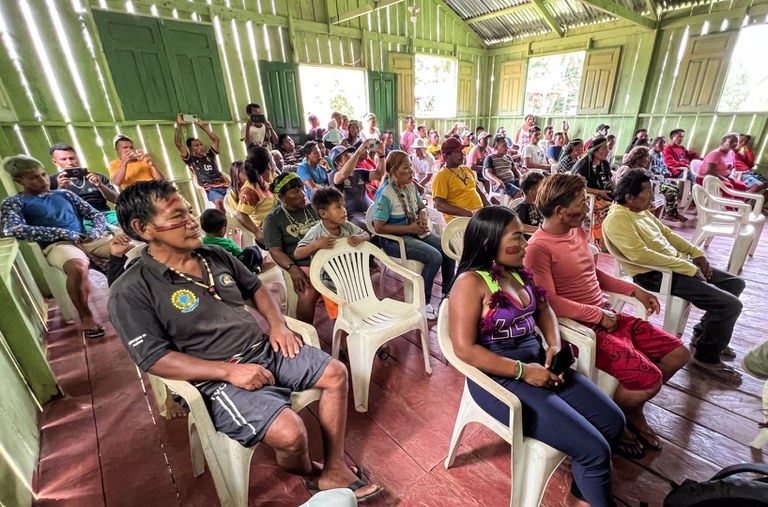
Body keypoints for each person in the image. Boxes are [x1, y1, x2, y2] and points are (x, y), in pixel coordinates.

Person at [108, 180, 381, 502]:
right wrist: (228, 372)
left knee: (336, 373)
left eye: (190, 212)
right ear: (144, 228)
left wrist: (277, 325)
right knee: (292, 433)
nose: (192, 221)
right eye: (178, 216)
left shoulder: (214, 255)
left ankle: (334, 467)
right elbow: (154, 359)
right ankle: (310, 473)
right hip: (212, 380)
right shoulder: (131, 289)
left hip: (263, 349)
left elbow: (256, 289)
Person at [449, 206, 624, 507]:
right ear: (490, 240)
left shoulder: (518, 273)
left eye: (523, 237)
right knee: (595, 450)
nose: (525, 245)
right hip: (500, 378)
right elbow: (464, 350)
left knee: (613, 422)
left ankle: (581, 498)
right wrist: (522, 372)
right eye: (516, 237)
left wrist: (553, 345)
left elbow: (545, 309)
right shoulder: (470, 284)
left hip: (540, 363)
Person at [524, 173, 689, 460]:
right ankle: (617, 419)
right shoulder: (538, 248)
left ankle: (630, 409)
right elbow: (548, 303)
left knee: (678, 354)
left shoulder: (575, 231)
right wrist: (597, 315)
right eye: (579, 203)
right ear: (561, 211)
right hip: (582, 329)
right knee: (650, 380)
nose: (586, 208)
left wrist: (633, 290)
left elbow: (592, 273)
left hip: (607, 317)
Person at [603, 169, 744, 385]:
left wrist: (697, 254)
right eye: (647, 192)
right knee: (730, 305)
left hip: (675, 266)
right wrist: (685, 266)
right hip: (653, 275)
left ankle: (705, 335)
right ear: (629, 197)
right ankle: (706, 357)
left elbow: (667, 234)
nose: (651, 196)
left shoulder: (641, 211)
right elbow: (640, 255)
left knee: (735, 283)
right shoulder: (617, 219)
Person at [2, 155, 113, 337]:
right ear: (18, 180)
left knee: (130, 250)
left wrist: (94, 232)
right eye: (34, 178)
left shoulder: (64, 194)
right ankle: (86, 316)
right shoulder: (15, 202)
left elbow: (96, 215)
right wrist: (63, 233)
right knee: (78, 267)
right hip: (57, 244)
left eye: (43, 174)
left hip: (86, 238)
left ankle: (137, 300)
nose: (43, 180)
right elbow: (13, 228)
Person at [373, 151, 455, 320]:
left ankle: (448, 293)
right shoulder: (385, 193)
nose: (412, 171)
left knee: (449, 248)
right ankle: (422, 303)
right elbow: (378, 227)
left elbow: (421, 207)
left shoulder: (410, 186)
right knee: (434, 257)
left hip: (413, 231)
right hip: (394, 240)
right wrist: (410, 228)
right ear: (394, 171)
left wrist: (423, 216)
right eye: (406, 168)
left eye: (411, 166)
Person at [294, 187, 370, 319]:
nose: (344, 211)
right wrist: (316, 244)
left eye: (343, 206)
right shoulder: (317, 232)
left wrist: (360, 238)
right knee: (339, 317)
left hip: (350, 278)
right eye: (338, 207)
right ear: (323, 214)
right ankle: (341, 335)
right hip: (328, 284)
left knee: (355, 310)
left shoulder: (347, 226)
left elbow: (366, 235)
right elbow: (298, 253)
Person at [263, 172, 321, 324]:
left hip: (326, 259)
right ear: (282, 197)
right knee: (307, 292)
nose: (302, 194)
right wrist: (292, 268)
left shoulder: (313, 208)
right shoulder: (274, 218)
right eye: (295, 191)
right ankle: (305, 335)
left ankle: (347, 335)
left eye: (301, 189)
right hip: (302, 264)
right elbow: (275, 251)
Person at [49, 144, 119, 226]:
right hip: (77, 219)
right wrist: (60, 189)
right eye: (63, 159)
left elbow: (117, 199)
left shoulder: (96, 177)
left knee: (126, 223)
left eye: (72, 158)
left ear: (77, 158)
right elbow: (52, 209)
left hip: (104, 214)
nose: (69, 162)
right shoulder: (52, 181)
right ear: (55, 162)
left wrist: (100, 185)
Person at [174, 114, 229, 212]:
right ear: (190, 149)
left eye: (200, 144)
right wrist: (179, 125)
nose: (200, 147)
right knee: (219, 204)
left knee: (239, 200)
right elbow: (178, 143)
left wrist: (202, 126)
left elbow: (216, 140)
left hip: (224, 185)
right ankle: (223, 225)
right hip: (211, 189)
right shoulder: (191, 160)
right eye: (196, 146)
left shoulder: (210, 155)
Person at [432, 137, 490, 222]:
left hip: (478, 214)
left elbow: (477, 189)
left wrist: (488, 205)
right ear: (446, 156)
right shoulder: (441, 176)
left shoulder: (465, 169)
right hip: (460, 219)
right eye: (457, 152)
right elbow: (439, 205)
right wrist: (468, 213)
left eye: (462, 151)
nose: (462, 154)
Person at [330, 141, 384, 230]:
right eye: (345, 156)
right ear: (337, 163)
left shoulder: (359, 172)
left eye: (349, 154)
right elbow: (344, 174)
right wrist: (359, 152)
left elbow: (379, 174)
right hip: (353, 215)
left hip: (370, 211)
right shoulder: (334, 175)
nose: (350, 156)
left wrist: (381, 156)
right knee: (371, 226)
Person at [571, 137, 614, 251]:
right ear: (595, 151)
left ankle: (614, 239)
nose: (607, 151)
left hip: (604, 195)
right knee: (605, 208)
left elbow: (609, 182)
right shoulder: (584, 165)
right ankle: (601, 243)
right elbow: (579, 187)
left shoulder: (604, 164)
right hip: (587, 197)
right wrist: (599, 192)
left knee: (620, 206)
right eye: (604, 148)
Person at [234, 147, 278, 245]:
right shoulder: (251, 190)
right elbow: (240, 215)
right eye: (273, 160)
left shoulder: (274, 177)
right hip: (268, 231)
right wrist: (257, 233)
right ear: (270, 165)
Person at [200, 208, 266, 273]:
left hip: (215, 271)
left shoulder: (201, 243)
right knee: (253, 250)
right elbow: (240, 254)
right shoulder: (227, 243)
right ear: (223, 229)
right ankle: (259, 266)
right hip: (232, 269)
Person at [647, 139, 686, 222]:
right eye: (660, 144)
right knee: (671, 190)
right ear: (654, 144)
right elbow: (650, 171)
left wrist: (667, 172)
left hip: (662, 179)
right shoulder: (650, 155)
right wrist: (662, 174)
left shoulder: (660, 155)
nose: (663, 146)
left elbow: (664, 167)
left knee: (675, 186)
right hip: (654, 181)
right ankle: (669, 214)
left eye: (664, 144)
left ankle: (673, 212)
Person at [483, 135, 523, 205]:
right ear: (496, 147)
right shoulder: (490, 158)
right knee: (518, 192)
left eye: (507, 145)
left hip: (513, 182)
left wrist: (521, 177)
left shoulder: (508, 158)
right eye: (504, 146)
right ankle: (511, 210)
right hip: (503, 185)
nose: (507, 148)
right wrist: (497, 181)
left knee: (529, 188)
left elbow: (516, 171)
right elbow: (488, 173)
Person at [514, 171, 546, 237]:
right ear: (531, 192)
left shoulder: (539, 204)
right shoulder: (522, 207)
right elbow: (517, 225)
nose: (545, 190)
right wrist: (539, 229)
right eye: (542, 188)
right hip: (530, 239)